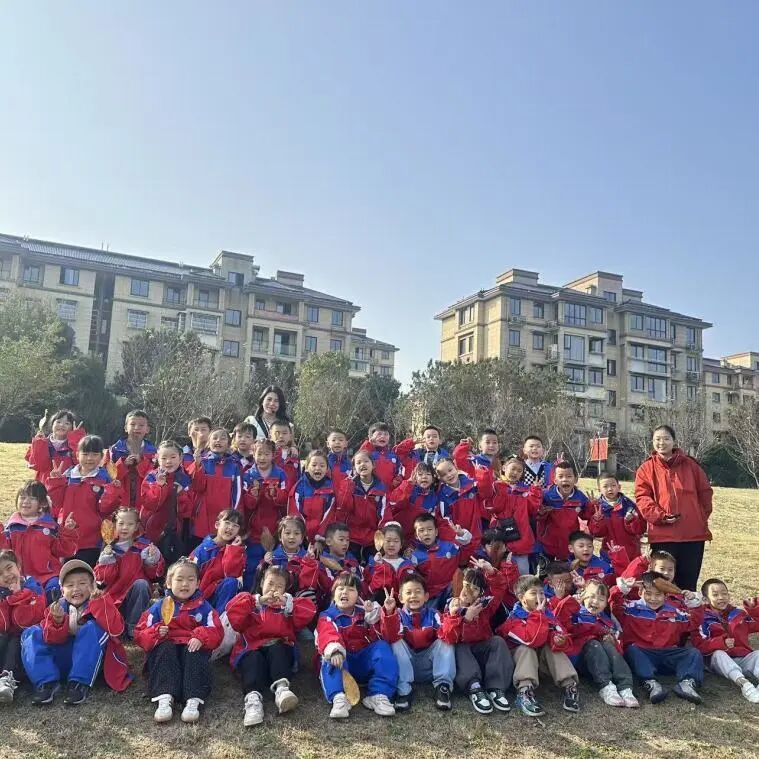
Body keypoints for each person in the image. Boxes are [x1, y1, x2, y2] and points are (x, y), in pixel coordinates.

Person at [21, 559, 131, 705]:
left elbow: (116, 630)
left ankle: (79, 684)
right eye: (70, 585)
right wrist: (58, 622)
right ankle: (46, 683)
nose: (76, 589)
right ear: (62, 591)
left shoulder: (102, 601)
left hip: (90, 661)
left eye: (82, 583)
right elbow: (51, 639)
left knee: (92, 627)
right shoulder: (57, 607)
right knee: (31, 632)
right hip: (64, 659)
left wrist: (99, 603)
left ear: (93, 586)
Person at [134, 557, 223, 723]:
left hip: (190, 648)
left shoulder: (204, 607)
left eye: (190, 580)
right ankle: (164, 697)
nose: (185, 584)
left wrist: (201, 636)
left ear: (198, 583)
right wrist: (156, 632)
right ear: (169, 583)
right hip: (168, 649)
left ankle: (193, 699)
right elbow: (140, 633)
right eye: (179, 579)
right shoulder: (159, 607)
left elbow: (216, 630)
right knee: (165, 648)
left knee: (194, 651)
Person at [226, 565, 316, 726]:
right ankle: (253, 700)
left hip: (279, 653)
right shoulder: (250, 604)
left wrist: (288, 602)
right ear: (262, 583)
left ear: (285, 589)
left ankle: (282, 689)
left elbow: (310, 611)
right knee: (252, 658)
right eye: (270, 583)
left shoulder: (287, 609)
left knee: (277, 648)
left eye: (279, 586)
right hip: (252, 650)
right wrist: (257, 601)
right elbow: (232, 612)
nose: (274, 589)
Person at [634, 425, 713, 591]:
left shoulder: (691, 465)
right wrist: (661, 516)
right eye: (657, 439)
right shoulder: (646, 469)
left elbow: (705, 493)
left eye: (666, 439)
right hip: (663, 536)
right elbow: (643, 498)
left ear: (674, 441)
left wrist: (698, 517)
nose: (661, 443)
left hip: (692, 536)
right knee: (661, 583)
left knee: (688, 584)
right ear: (652, 442)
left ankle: (686, 608)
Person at [611, 571, 704, 705]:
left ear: (666, 595)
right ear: (640, 592)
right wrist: (622, 588)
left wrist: (693, 602)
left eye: (658, 594)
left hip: (668, 654)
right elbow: (614, 604)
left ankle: (687, 683)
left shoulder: (675, 612)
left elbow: (693, 622)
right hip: (644, 654)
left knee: (693, 653)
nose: (653, 599)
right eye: (648, 594)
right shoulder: (630, 608)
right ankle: (650, 683)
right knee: (632, 650)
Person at [315, 573, 398, 719]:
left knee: (382, 647)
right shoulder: (327, 615)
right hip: (342, 664)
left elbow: (386, 636)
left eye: (351, 589)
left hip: (362, 662)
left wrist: (383, 615)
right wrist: (335, 650)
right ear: (333, 594)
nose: (345, 592)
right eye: (340, 589)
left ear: (359, 595)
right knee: (330, 653)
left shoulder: (366, 613)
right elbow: (327, 634)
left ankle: (379, 694)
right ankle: (339, 697)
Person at [497, 574, 579, 717]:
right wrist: (538, 615)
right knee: (526, 649)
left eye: (541, 593)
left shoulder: (548, 615)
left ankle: (570, 686)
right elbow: (531, 640)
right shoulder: (513, 620)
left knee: (552, 648)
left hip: (541, 666)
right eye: (533, 593)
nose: (539, 597)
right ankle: (524, 692)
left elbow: (561, 633)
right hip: (518, 667)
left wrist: (558, 640)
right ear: (522, 598)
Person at [440, 564, 513, 714]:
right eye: (466, 585)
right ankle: (474, 688)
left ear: (481, 593)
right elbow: (447, 636)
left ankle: (496, 688)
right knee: (459, 646)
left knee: (498, 641)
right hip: (465, 661)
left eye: (475, 589)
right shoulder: (452, 606)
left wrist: (491, 571)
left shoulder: (484, 606)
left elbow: (499, 588)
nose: (468, 591)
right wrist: (464, 619)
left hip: (482, 651)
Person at [554, 578, 639, 708]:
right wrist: (571, 603)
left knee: (608, 644)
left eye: (601, 599)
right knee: (593, 643)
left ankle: (625, 687)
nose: (595, 602)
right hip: (581, 660)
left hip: (605, 661)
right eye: (591, 596)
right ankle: (606, 686)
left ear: (606, 604)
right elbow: (560, 621)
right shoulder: (575, 613)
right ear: (583, 596)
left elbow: (619, 646)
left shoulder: (607, 621)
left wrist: (613, 641)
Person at [380, 572, 455, 711]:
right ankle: (404, 690)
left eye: (418, 592)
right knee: (395, 642)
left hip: (430, 667)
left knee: (445, 640)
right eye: (408, 592)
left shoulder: (434, 614)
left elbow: (449, 635)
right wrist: (389, 612)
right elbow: (389, 636)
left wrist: (452, 616)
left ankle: (442, 687)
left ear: (426, 596)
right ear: (401, 598)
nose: (413, 596)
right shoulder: (397, 615)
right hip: (406, 667)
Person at [45, 435, 122, 567]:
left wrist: (113, 490)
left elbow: (106, 509)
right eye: (85, 454)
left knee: (87, 572)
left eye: (94, 454)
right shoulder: (68, 475)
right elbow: (58, 502)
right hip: (68, 533)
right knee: (67, 571)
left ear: (101, 456)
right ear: (77, 455)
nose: (89, 458)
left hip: (92, 538)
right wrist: (56, 481)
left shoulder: (105, 478)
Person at [1, 480, 78, 602]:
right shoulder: (12, 528)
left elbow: (64, 551)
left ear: (42, 503)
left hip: (47, 576)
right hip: (20, 577)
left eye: (31, 498)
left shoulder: (50, 526)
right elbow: (4, 551)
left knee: (54, 592)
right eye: (22, 497)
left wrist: (68, 532)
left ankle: (52, 613)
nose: (25, 501)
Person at [94, 507, 164, 638]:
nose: (125, 527)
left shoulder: (144, 547)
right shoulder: (110, 548)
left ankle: (133, 628)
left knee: (142, 584)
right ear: (115, 524)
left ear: (136, 526)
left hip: (137, 597)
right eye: (121, 523)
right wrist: (107, 560)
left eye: (130, 524)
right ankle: (118, 629)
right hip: (115, 597)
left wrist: (152, 560)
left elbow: (154, 575)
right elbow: (103, 579)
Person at [692, 578, 759, 703]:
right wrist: (720, 643)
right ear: (705, 599)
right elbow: (699, 644)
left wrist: (754, 609)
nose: (721, 597)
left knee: (757, 654)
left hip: (742, 656)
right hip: (717, 660)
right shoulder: (701, 618)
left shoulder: (739, 614)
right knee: (719, 654)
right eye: (715, 595)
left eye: (724, 593)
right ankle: (745, 684)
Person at [242, 439, 288, 587]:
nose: (262, 457)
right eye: (259, 453)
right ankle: (249, 593)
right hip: (254, 530)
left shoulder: (280, 474)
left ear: (273, 455)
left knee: (274, 566)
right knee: (252, 566)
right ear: (253, 453)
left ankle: (273, 594)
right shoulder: (248, 474)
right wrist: (253, 495)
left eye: (266, 454)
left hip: (275, 528)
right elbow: (247, 504)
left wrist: (275, 493)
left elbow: (285, 499)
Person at [0, 549, 45, 703]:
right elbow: (3, 625)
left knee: (15, 639)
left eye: (9, 568)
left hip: (27, 641)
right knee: (3, 637)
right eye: (0, 574)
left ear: (18, 567)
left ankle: (6, 679)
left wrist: (18, 595)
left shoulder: (33, 587)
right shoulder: (1, 594)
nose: (7, 575)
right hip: (7, 640)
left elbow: (23, 622)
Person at [140, 439, 194, 565]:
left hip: (176, 531)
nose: (168, 461)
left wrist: (180, 494)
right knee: (152, 563)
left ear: (181, 458)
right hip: (151, 528)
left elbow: (188, 511)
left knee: (173, 563)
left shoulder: (185, 478)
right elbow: (150, 504)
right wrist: (159, 486)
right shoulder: (152, 477)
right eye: (164, 458)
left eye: (173, 457)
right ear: (157, 459)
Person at [189, 428, 243, 551]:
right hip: (202, 516)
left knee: (221, 550)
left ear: (229, 444)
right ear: (209, 442)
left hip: (225, 517)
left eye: (223, 438)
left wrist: (234, 516)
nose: (218, 441)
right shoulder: (202, 461)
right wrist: (197, 465)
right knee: (199, 550)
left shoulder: (235, 465)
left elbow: (238, 494)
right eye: (215, 438)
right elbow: (197, 487)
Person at [490, 456, 543, 575]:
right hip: (500, 537)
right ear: (504, 468)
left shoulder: (525, 490)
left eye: (519, 471)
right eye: (513, 469)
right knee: (498, 573)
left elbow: (533, 510)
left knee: (522, 574)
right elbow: (494, 507)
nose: (515, 473)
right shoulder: (496, 486)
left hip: (521, 539)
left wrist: (535, 491)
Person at [435, 458, 492, 565]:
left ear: (455, 467)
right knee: (466, 566)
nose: (449, 475)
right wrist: (457, 534)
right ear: (440, 478)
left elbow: (487, 494)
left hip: (478, 533)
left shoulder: (471, 484)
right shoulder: (443, 496)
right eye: (444, 474)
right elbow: (445, 519)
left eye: (450, 470)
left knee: (483, 565)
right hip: (460, 538)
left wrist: (482, 475)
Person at [336, 450, 388, 563]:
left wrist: (382, 533)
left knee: (374, 564)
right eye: (358, 463)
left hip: (372, 536)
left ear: (373, 465)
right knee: (351, 564)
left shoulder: (380, 488)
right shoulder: (349, 485)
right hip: (352, 535)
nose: (362, 464)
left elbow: (384, 514)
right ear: (354, 468)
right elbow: (343, 507)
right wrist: (348, 486)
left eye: (366, 461)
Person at [190, 509, 246, 614]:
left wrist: (233, 549)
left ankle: (220, 620)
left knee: (231, 582)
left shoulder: (238, 551)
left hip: (222, 598)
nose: (230, 528)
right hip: (200, 598)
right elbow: (189, 574)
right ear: (217, 525)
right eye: (227, 523)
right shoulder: (203, 549)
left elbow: (230, 574)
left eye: (235, 526)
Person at [410, 513, 470, 610]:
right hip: (430, 595)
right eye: (421, 530)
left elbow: (467, 551)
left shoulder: (449, 547)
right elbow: (411, 578)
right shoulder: (414, 555)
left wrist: (461, 534)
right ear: (416, 535)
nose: (426, 533)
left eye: (430, 529)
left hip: (451, 590)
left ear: (436, 532)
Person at [536, 461, 590, 562]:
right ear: (555, 480)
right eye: (560, 476)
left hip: (569, 543)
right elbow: (536, 514)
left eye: (569, 476)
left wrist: (592, 506)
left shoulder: (580, 497)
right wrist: (542, 512)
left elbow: (587, 515)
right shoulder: (546, 495)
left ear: (575, 479)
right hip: (548, 544)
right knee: (547, 570)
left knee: (568, 570)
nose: (565, 479)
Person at [106, 410, 157, 509]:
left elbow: (155, 477)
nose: (137, 428)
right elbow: (107, 476)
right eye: (132, 424)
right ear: (125, 428)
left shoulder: (153, 453)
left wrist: (142, 463)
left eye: (141, 425)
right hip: (120, 501)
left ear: (147, 429)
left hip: (143, 502)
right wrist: (123, 464)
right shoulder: (114, 450)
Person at [588, 473, 644, 559]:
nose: (610, 489)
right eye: (605, 486)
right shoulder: (597, 507)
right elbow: (597, 533)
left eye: (613, 485)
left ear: (619, 487)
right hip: (609, 554)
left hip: (631, 552)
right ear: (599, 489)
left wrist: (631, 521)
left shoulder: (629, 505)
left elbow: (640, 529)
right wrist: (597, 520)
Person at [288, 450, 337, 544]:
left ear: (327, 469)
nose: (318, 468)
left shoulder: (331, 489)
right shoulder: (299, 487)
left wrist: (320, 538)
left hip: (322, 539)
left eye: (322, 466)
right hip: (301, 538)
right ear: (307, 467)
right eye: (314, 465)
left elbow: (329, 516)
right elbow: (295, 513)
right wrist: (302, 535)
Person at [25, 409, 86, 482]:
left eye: (67, 423)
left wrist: (77, 438)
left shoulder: (75, 443)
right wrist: (39, 443)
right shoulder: (41, 442)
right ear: (52, 424)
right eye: (58, 422)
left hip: (67, 485)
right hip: (43, 484)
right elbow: (38, 466)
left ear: (72, 427)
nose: (62, 425)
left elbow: (82, 464)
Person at [387, 462, 439, 542]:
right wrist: (408, 483)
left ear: (433, 479)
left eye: (428, 474)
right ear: (415, 477)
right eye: (420, 474)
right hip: (395, 531)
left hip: (413, 538)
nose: (424, 477)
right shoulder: (409, 488)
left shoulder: (434, 498)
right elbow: (394, 500)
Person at [364, 523, 415, 601]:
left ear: (401, 544)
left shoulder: (407, 565)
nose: (391, 544)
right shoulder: (373, 563)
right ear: (381, 542)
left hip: (401, 602)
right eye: (388, 541)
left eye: (396, 541)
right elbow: (369, 588)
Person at [359, 423, 402, 490]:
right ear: (370, 437)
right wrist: (368, 443)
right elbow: (360, 458)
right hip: (371, 492)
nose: (383, 436)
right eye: (379, 434)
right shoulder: (368, 452)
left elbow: (399, 471)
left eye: (386, 434)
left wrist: (397, 479)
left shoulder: (393, 455)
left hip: (388, 492)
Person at [270, 420, 301, 492]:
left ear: (290, 435)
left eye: (284, 433)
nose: (281, 436)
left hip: (290, 493)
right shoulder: (267, 453)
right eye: (277, 433)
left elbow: (298, 476)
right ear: (270, 435)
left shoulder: (294, 454)